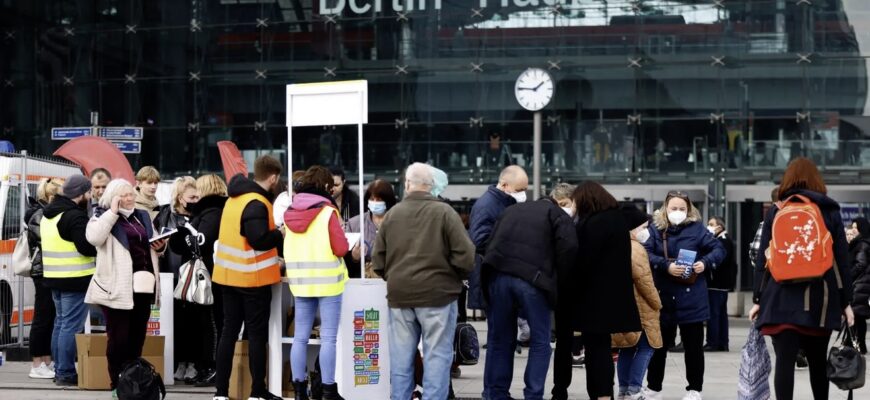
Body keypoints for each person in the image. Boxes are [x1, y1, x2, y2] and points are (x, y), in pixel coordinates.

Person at [750, 157, 854, 400]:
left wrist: (758, 298)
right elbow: (841, 260)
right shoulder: (829, 211)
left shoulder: (777, 210)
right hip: (820, 300)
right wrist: (846, 301)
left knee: (784, 363)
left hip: (780, 297)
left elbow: (764, 259)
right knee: (818, 363)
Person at [372, 163, 475, 400]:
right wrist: (454, 276)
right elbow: (466, 255)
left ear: (407, 185)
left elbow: (378, 260)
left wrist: (395, 276)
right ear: (430, 187)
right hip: (438, 295)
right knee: (437, 358)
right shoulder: (445, 213)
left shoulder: (392, 215)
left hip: (400, 297)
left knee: (400, 360)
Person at [481, 188, 578, 400]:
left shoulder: (511, 211)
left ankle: (495, 394)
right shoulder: (558, 215)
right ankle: (533, 395)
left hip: (498, 276)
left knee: (499, 340)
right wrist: (557, 283)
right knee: (540, 341)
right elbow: (568, 249)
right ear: (555, 202)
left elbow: (489, 241)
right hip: (533, 280)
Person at [212, 155, 284, 400]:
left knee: (228, 332)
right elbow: (258, 239)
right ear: (273, 177)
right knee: (255, 334)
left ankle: (221, 392)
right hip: (252, 279)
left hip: (227, 276)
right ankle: (257, 391)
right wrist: (279, 234)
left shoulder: (234, 199)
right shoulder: (257, 203)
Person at [84, 179, 165, 395]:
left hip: (143, 285)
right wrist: (112, 212)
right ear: (113, 197)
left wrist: (161, 246)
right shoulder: (101, 215)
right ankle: (117, 385)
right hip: (116, 287)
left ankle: (133, 383)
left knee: (137, 337)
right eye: (124, 195)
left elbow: (152, 242)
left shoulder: (143, 216)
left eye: (131, 194)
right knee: (118, 339)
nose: (130, 199)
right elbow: (94, 238)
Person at [642, 190, 725, 400]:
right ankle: (653, 387)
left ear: (689, 210)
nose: (677, 212)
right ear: (665, 209)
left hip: (692, 297)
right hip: (662, 296)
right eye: (673, 208)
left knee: (693, 347)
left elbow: (718, 249)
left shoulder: (697, 229)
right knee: (658, 346)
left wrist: (704, 263)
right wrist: (666, 266)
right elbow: (646, 253)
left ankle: (694, 389)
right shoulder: (655, 228)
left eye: (682, 208)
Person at [284, 166, 350, 400]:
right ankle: (329, 390)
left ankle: (300, 389)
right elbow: (341, 248)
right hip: (329, 283)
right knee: (329, 338)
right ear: (324, 187)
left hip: (301, 283)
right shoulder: (327, 213)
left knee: (300, 337)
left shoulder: (290, 212)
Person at [572, 182, 642, 400]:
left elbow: (583, 261)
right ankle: (603, 394)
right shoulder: (617, 220)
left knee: (596, 351)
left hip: (594, 297)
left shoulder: (592, 224)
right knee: (602, 348)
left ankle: (601, 395)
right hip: (614, 295)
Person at [169, 174, 229, 386]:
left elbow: (201, 241)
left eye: (198, 190)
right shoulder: (209, 211)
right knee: (205, 321)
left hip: (209, 274)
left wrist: (183, 236)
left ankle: (211, 366)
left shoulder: (212, 212)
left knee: (211, 322)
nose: (195, 195)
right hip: (206, 273)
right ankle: (206, 365)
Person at [41, 174, 98, 386]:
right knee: (70, 327)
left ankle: (59, 370)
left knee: (61, 324)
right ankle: (65, 372)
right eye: (89, 192)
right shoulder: (74, 216)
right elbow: (85, 247)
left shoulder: (49, 214)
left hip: (54, 277)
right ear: (81, 193)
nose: (91, 196)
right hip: (75, 279)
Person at [613, 206, 662, 400]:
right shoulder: (636, 248)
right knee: (646, 347)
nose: (646, 231)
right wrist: (657, 303)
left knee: (626, 347)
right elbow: (644, 281)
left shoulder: (617, 245)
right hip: (641, 306)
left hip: (623, 305)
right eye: (643, 226)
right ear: (632, 228)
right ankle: (634, 389)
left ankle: (624, 390)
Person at [157, 177, 203, 383]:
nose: (196, 199)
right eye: (192, 196)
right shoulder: (164, 215)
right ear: (180, 198)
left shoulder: (200, 216)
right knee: (175, 322)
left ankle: (193, 362)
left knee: (194, 322)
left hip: (193, 275)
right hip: (171, 274)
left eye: (198, 195)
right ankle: (178, 362)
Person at [467, 166, 528, 311]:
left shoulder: (505, 202)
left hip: (499, 276)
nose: (523, 194)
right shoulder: (487, 206)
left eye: (525, 189)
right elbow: (479, 241)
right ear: (505, 185)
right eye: (519, 190)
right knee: (499, 329)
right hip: (492, 279)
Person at [549, 183, 586, 400]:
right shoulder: (553, 223)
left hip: (581, 288)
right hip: (563, 290)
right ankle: (559, 389)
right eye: (559, 204)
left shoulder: (584, 223)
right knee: (563, 342)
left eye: (565, 204)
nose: (563, 208)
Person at [25, 178, 62, 379]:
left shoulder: (44, 213)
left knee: (49, 317)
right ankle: (37, 363)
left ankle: (46, 360)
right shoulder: (40, 215)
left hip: (49, 270)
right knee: (42, 317)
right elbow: (47, 239)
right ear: (50, 196)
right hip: (42, 271)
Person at [345, 179, 397, 279]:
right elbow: (345, 259)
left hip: (392, 279)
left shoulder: (398, 222)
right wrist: (354, 257)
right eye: (372, 199)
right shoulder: (355, 224)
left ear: (388, 200)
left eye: (379, 200)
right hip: (361, 282)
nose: (375, 202)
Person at [704, 217, 736, 352]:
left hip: (717, 283)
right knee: (721, 314)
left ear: (719, 227)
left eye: (711, 224)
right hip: (722, 284)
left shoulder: (722, 241)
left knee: (714, 313)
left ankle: (713, 342)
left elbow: (719, 260)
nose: (708, 226)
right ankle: (722, 342)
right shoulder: (725, 240)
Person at [849, 217, 870, 354]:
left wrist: (848, 276)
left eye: (856, 227)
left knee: (857, 316)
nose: (853, 229)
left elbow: (860, 264)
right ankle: (860, 345)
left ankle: (857, 345)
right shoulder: (862, 243)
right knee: (859, 316)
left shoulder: (862, 244)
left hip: (859, 285)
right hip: (862, 284)